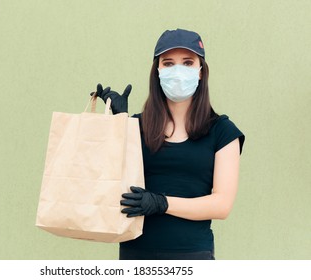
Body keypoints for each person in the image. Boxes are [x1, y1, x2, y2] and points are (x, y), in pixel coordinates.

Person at [92, 28, 245, 260]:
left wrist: (162, 203)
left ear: (201, 71)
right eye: (169, 63)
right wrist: (118, 125)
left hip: (193, 256)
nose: (178, 71)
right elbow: (109, 183)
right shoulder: (136, 127)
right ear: (158, 71)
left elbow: (222, 204)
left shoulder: (222, 131)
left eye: (187, 62)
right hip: (135, 254)